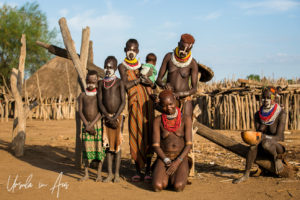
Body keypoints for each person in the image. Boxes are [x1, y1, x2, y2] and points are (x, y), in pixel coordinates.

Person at [233, 87, 287, 184]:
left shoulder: (281, 113)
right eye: (264, 98)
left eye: (268, 98)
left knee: (266, 143)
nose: (266, 100)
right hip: (263, 144)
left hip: (276, 147)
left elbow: (280, 137)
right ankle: (246, 174)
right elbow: (258, 134)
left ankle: (276, 159)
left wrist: (263, 137)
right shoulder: (258, 115)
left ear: (273, 99)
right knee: (253, 146)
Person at [118, 39, 154, 182]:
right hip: (134, 105)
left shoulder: (143, 66)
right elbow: (125, 85)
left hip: (147, 105)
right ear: (125, 49)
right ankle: (138, 170)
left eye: (134, 49)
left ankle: (148, 171)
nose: (131, 51)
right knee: (135, 134)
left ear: (138, 51)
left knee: (149, 135)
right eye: (128, 49)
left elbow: (153, 84)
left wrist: (148, 81)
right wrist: (138, 80)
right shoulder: (122, 67)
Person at [152, 90, 192, 192]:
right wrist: (165, 159)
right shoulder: (158, 120)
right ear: (160, 106)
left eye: (171, 104)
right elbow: (156, 145)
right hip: (164, 157)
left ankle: (179, 176)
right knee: (158, 186)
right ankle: (167, 177)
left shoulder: (186, 119)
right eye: (164, 106)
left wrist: (178, 162)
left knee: (178, 186)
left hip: (180, 157)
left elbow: (188, 144)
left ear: (175, 101)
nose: (168, 107)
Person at [155, 33, 198, 118]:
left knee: (186, 123)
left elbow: (194, 89)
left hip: (184, 99)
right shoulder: (169, 57)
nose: (184, 52)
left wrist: (180, 94)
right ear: (178, 44)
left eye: (187, 50)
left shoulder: (192, 63)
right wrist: (164, 85)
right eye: (182, 48)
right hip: (169, 98)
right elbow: (158, 80)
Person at [98, 56, 126, 183]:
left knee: (117, 146)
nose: (108, 69)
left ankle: (117, 174)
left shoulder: (120, 82)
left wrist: (115, 117)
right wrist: (107, 116)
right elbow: (100, 101)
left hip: (118, 116)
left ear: (115, 68)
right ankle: (109, 174)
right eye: (106, 67)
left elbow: (123, 102)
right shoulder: (101, 83)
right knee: (108, 146)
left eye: (111, 67)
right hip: (106, 117)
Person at [78, 70, 105, 182]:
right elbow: (80, 111)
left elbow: (101, 112)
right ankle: (86, 174)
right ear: (86, 80)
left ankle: (98, 174)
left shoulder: (99, 95)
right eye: (88, 80)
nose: (91, 83)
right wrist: (86, 125)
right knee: (86, 150)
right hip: (86, 125)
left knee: (99, 150)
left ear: (97, 81)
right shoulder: (82, 95)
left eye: (93, 80)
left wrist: (92, 124)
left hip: (97, 125)